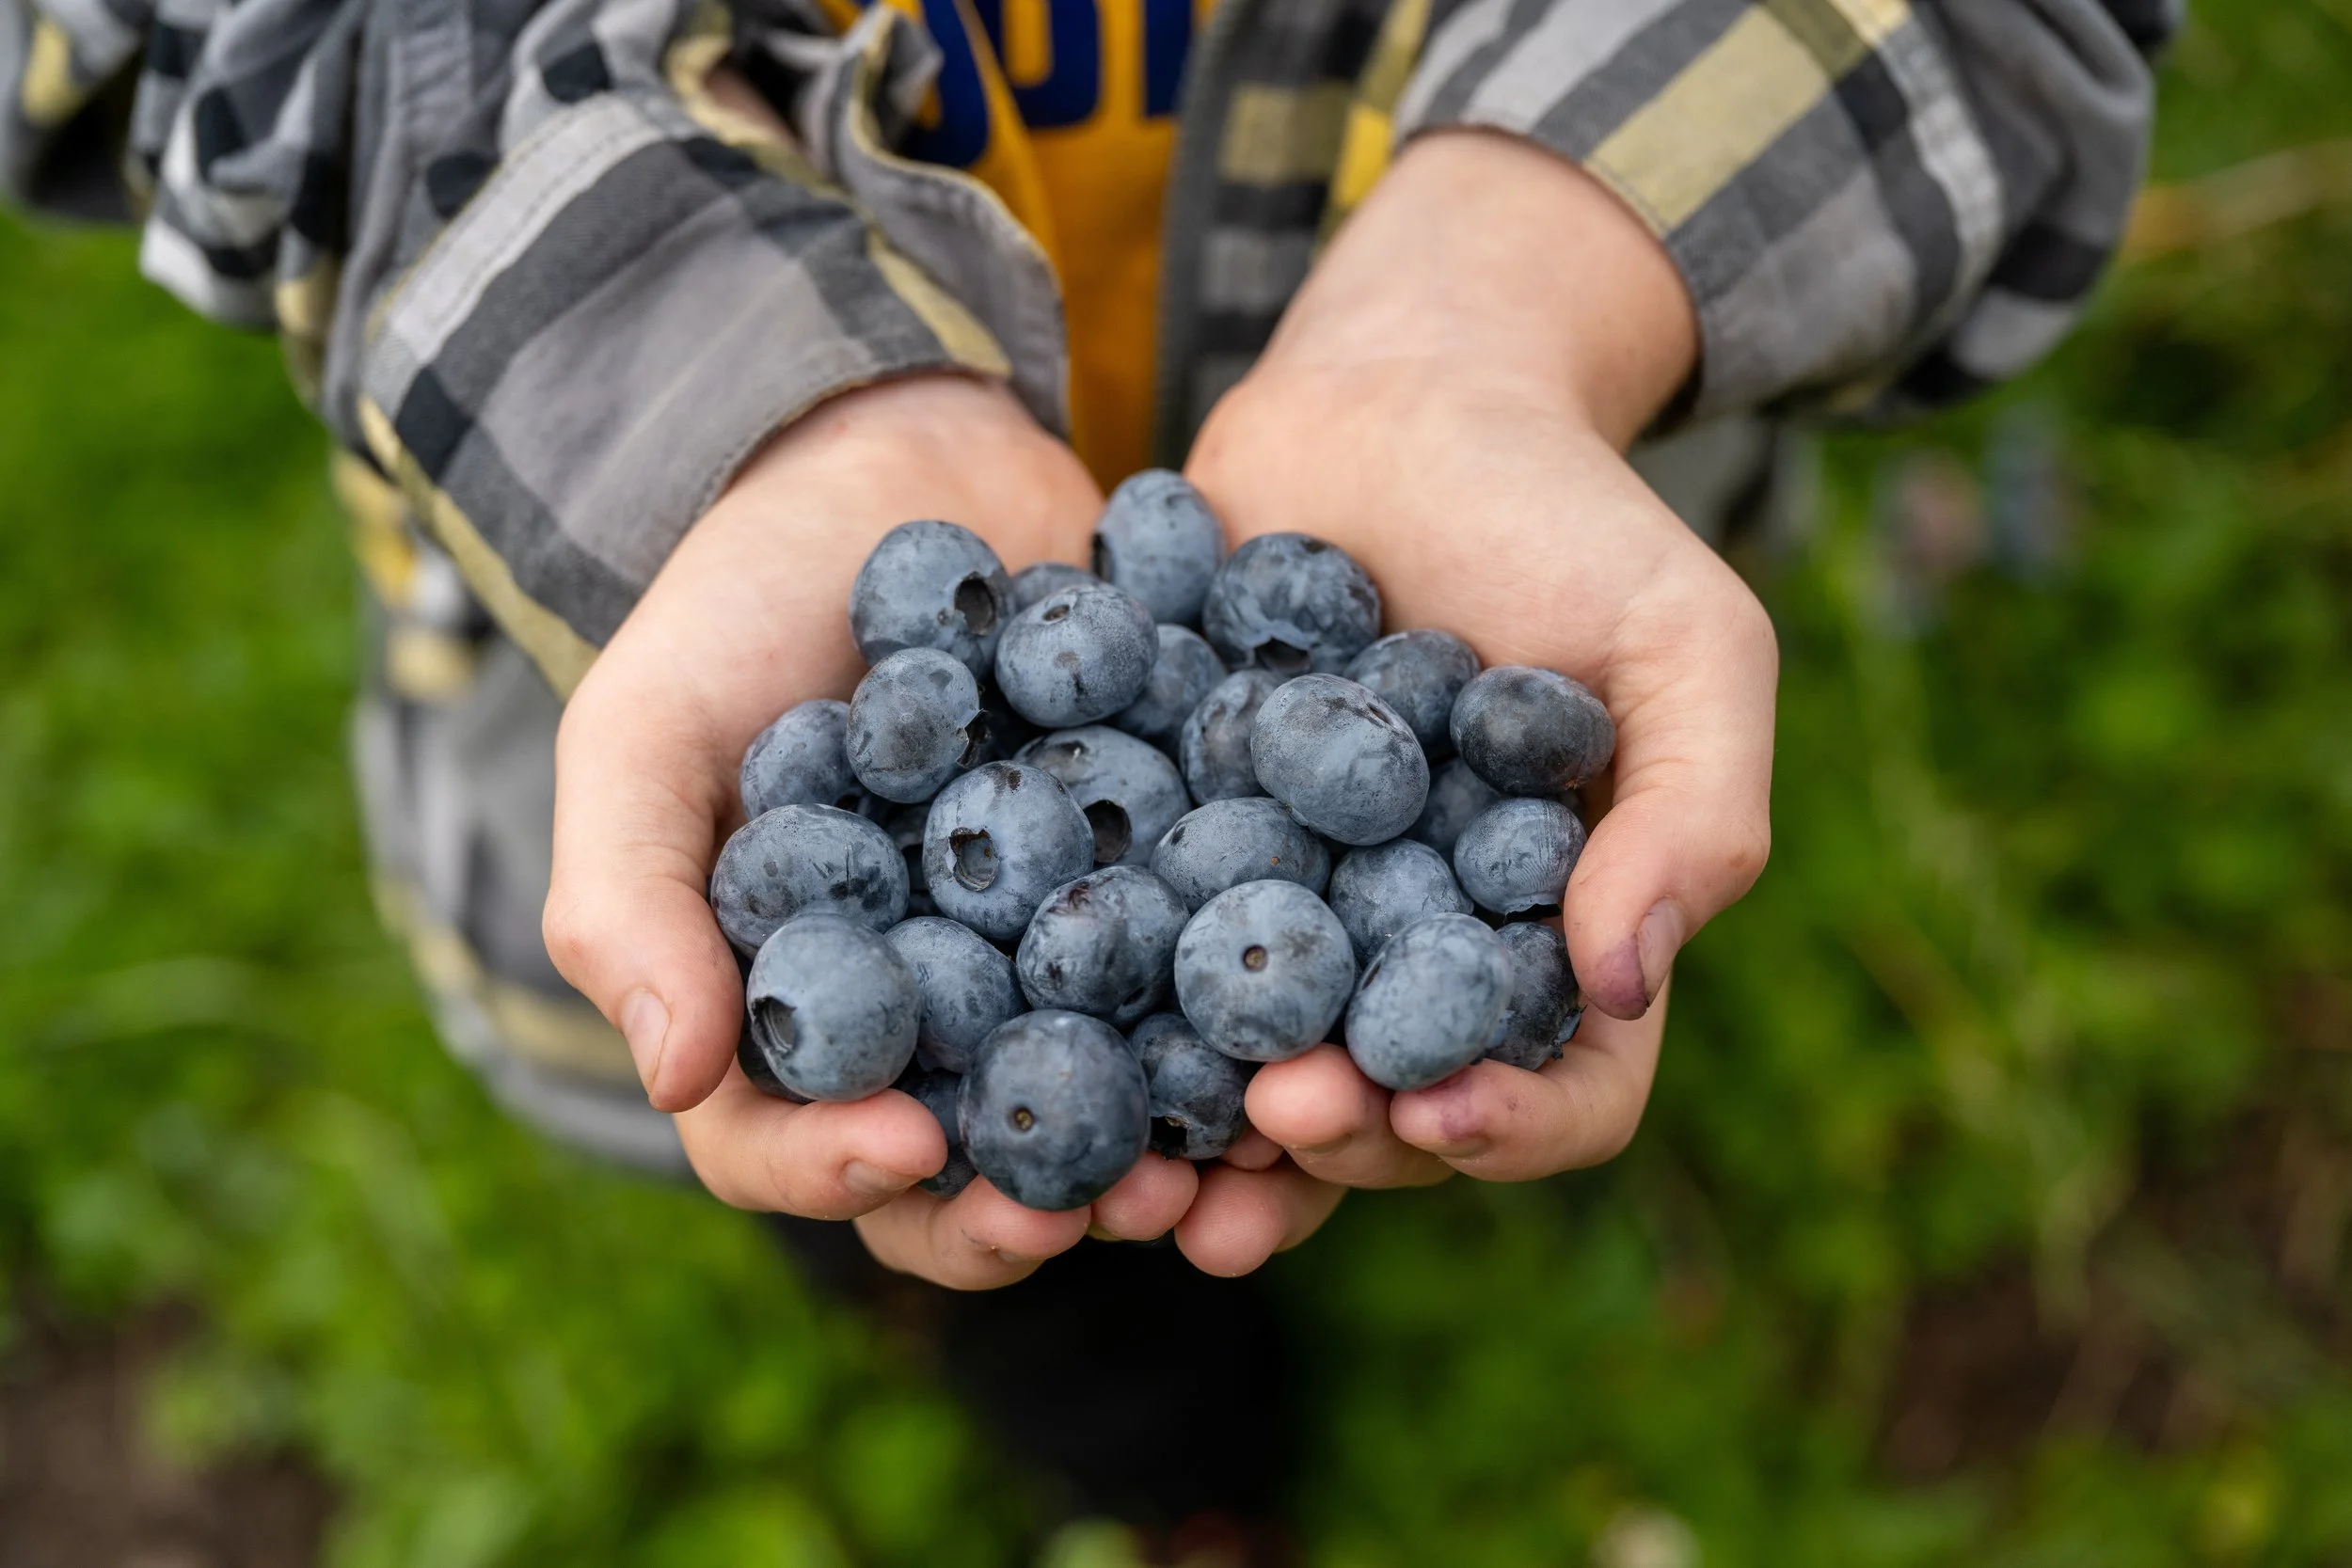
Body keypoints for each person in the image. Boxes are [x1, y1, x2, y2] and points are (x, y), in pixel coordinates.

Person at [2, 0, 2172, 1552]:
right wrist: (725, 399)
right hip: (619, 537)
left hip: (1474, 386)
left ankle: (1170, 1432)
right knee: (940, 1180)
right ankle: (1157, 1479)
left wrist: (1509, 298)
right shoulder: (911, 797)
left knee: (1214, 1111)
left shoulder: (1281, 776)